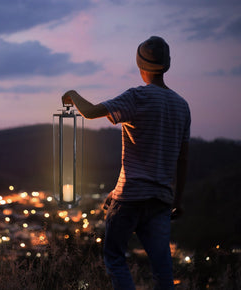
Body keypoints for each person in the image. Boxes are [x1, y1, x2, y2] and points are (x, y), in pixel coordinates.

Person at [62, 36, 190, 289]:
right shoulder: (182, 106)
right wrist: (177, 200)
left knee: (114, 258)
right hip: (160, 200)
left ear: (140, 65)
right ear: (168, 64)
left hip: (130, 197)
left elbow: (89, 112)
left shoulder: (136, 97)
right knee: (162, 269)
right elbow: (182, 159)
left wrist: (72, 94)